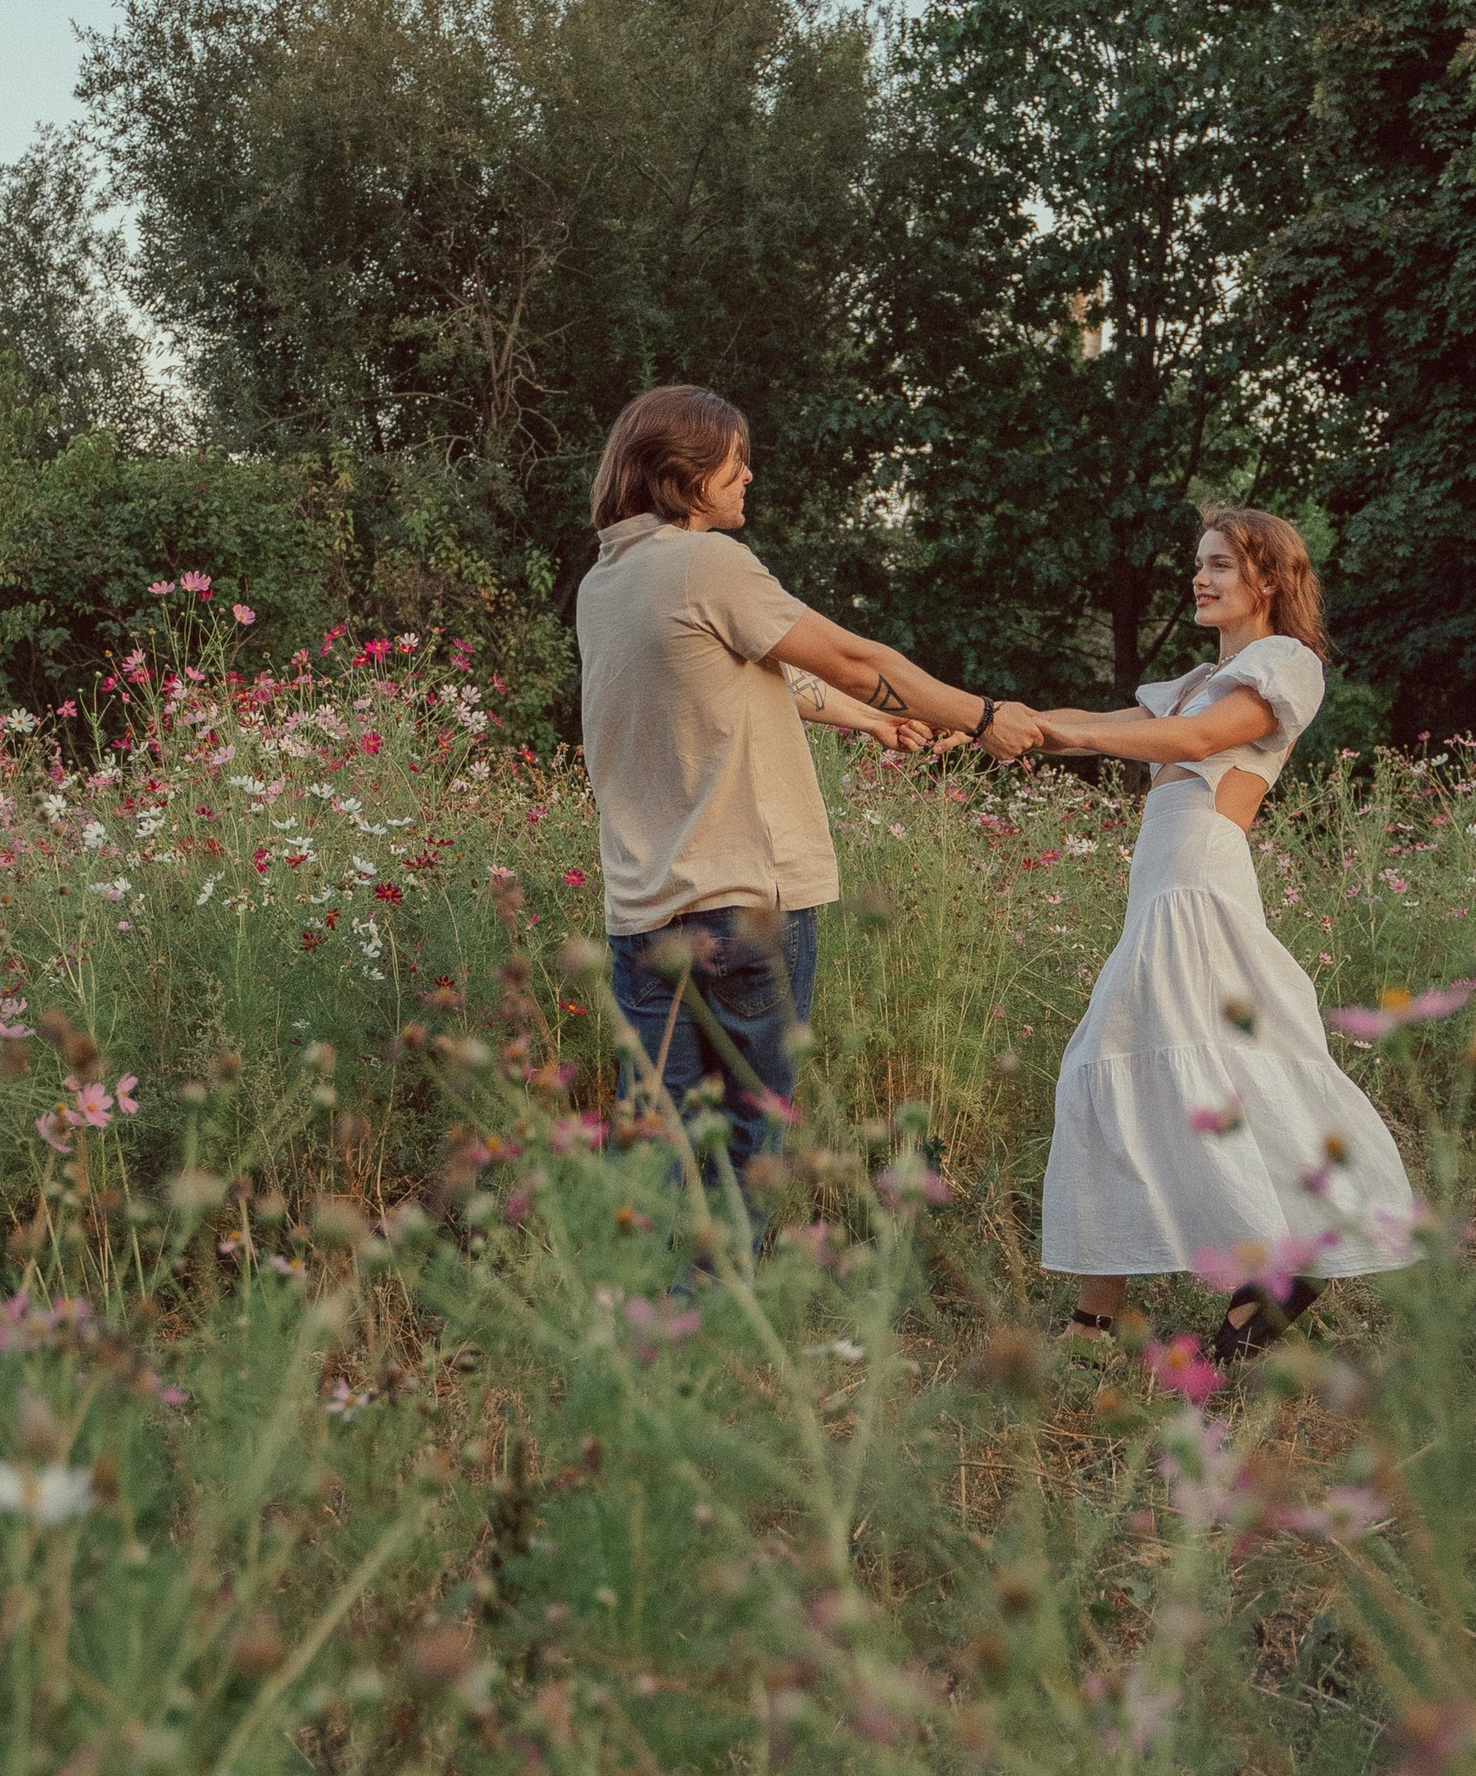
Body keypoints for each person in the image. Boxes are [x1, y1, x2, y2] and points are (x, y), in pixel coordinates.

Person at [576, 384, 1043, 1183]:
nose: (748, 475)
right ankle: (731, 1269)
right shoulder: (707, 562)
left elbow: (758, 674)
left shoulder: (607, 581)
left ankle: (653, 1271)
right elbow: (858, 660)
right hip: (743, 908)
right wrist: (984, 716)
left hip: (645, 915)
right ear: (683, 471)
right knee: (748, 1153)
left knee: (657, 1158)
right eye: (734, 460)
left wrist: (872, 721)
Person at [1033, 506, 1417, 1362]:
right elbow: (1101, 724)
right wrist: (987, 721)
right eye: (1199, 563)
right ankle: (1154, 1305)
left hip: (1199, 886)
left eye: (1220, 565)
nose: (1199, 579)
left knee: (1131, 1064)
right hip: (1161, 890)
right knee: (1143, 1073)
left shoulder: (1285, 664)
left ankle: (1110, 1319)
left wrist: (1064, 730)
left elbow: (1201, 739)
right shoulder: (1194, 682)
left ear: (1268, 580)